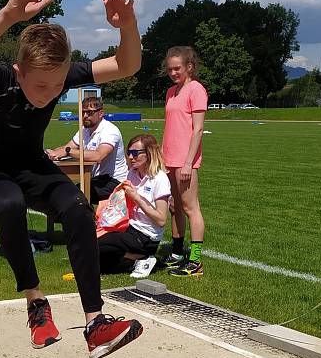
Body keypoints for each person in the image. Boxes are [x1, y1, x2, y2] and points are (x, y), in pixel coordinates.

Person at [0, 0, 143, 358]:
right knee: (10, 203)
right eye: (40, 85)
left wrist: (127, 26)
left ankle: (95, 323)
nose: (48, 93)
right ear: (19, 72)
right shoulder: (0, 79)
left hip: (33, 167)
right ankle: (36, 303)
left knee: (76, 208)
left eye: (57, 85)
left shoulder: (60, 76)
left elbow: (127, 65)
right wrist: (9, 13)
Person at [96, 134, 170, 279]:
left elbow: (161, 220)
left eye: (135, 153)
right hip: (129, 228)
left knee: (100, 245)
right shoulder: (132, 174)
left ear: (149, 153)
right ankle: (135, 260)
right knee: (95, 257)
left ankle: (142, 256)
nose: (130, 157)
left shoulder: (159, 179)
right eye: (128, 153)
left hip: (146, 235)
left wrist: (136, 198)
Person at [161, 46, 207, 276]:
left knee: (190, 208)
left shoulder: (196, 90)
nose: (173, 73)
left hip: (185, 159)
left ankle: (196, 261)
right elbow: (170, 127)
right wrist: (161, 155)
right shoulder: (171, 92)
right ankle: (177, 252)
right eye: (169, 69)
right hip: (169, 158)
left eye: (177, 68)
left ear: (189, 66)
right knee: (174, 206)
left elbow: (198, 130)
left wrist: (189, 162)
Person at [45, 95, 128, 203]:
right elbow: (68, 146)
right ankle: (89, 218)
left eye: (89, 113)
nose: (85, 116)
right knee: (68, 190)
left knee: (75, 195)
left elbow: (98, 156)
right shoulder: (84, 130)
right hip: (96, 179)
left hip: (114, 181)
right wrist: (52, 152)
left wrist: (68, 151)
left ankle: (88, 218)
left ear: (101, 113)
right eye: (83, 112)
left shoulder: (110, 131)